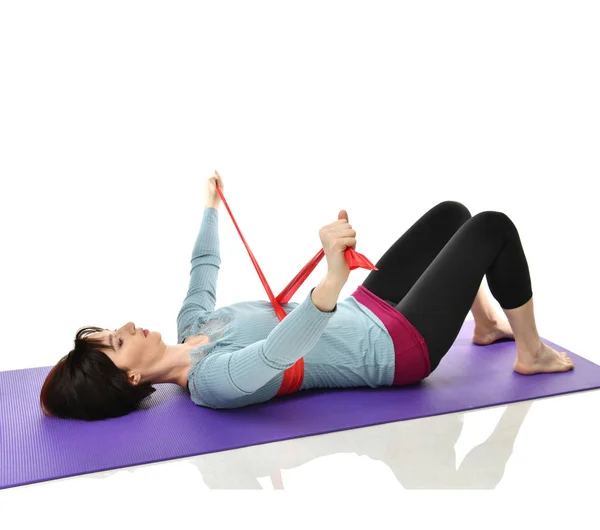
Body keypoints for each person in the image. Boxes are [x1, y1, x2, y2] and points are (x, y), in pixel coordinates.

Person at [40, 172, 574, 420]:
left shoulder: (191, 324)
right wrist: (333, 276)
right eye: (116, 340)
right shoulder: (211, 382)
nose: (127, 325)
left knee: (451, 215)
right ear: (130, 377)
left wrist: (210, 205)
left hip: (365, 311)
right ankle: (530, 354)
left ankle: (483, 326)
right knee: (491, 227)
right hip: (393, 351)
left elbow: (203, 267)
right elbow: (277, 352)